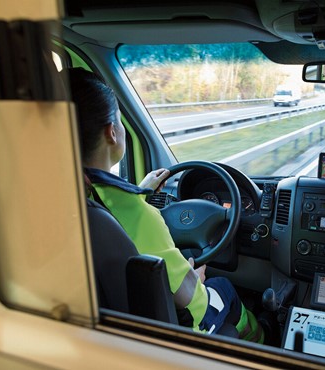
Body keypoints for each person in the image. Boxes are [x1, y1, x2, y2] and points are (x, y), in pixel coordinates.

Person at [68, 67, 263, 343]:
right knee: (226, 290)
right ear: (112, 133)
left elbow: (112, 207)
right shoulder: (140, 215)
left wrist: (140, 191)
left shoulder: (67, 198)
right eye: (122, 123)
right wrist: (195, 275)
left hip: (107, 327)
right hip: (175, 330)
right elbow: (185, 296)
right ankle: (261, 337)